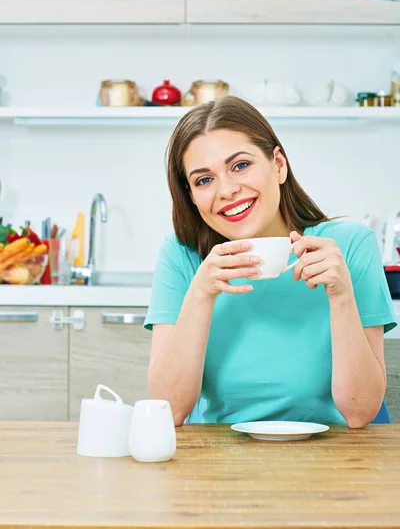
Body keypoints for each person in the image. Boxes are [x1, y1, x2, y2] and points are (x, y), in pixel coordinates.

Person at [145, 96, 396, 428]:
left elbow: (361, 412)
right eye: (204, 180)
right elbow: (169, 410)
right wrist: (201, 293)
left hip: (332, 458)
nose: (227, 190)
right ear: (190, 196)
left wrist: (341, 297)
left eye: (240, 165)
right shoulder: (183, 255)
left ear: (278, 165)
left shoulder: (348, 246)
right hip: (218, 462)